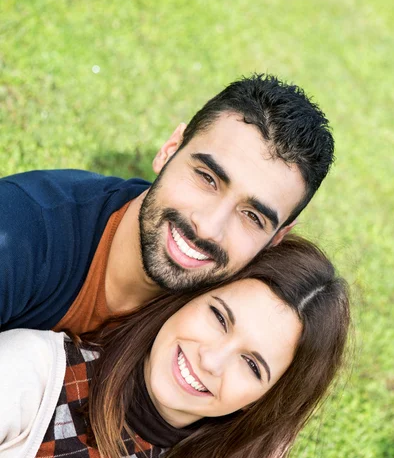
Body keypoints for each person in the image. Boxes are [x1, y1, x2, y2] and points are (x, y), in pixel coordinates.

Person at [0, 236, 350, 458]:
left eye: (251, 365)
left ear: (261, 401)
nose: (211, 360)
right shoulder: (37, 372)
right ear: (189, 297)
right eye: (218, 317)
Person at [0, 73, 334, 333]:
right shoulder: (23, 233)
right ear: (170, 149)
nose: (209, 226)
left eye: (252, 216)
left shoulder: (229, 335)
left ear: (276, 239)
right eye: (207, 178)